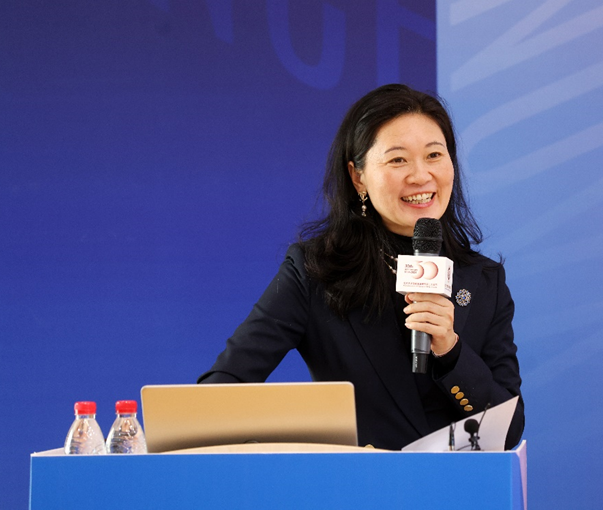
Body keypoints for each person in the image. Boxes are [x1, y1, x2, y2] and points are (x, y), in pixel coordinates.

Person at [198, 84, 523, 450]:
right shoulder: (315, 271)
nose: (421, 175)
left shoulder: (484, 281)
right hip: (356, 481)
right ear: (358, 177)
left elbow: (509, 431)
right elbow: (219, 390)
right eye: (398, 160)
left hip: (455, 484)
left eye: (434, 155)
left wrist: (451, 350)